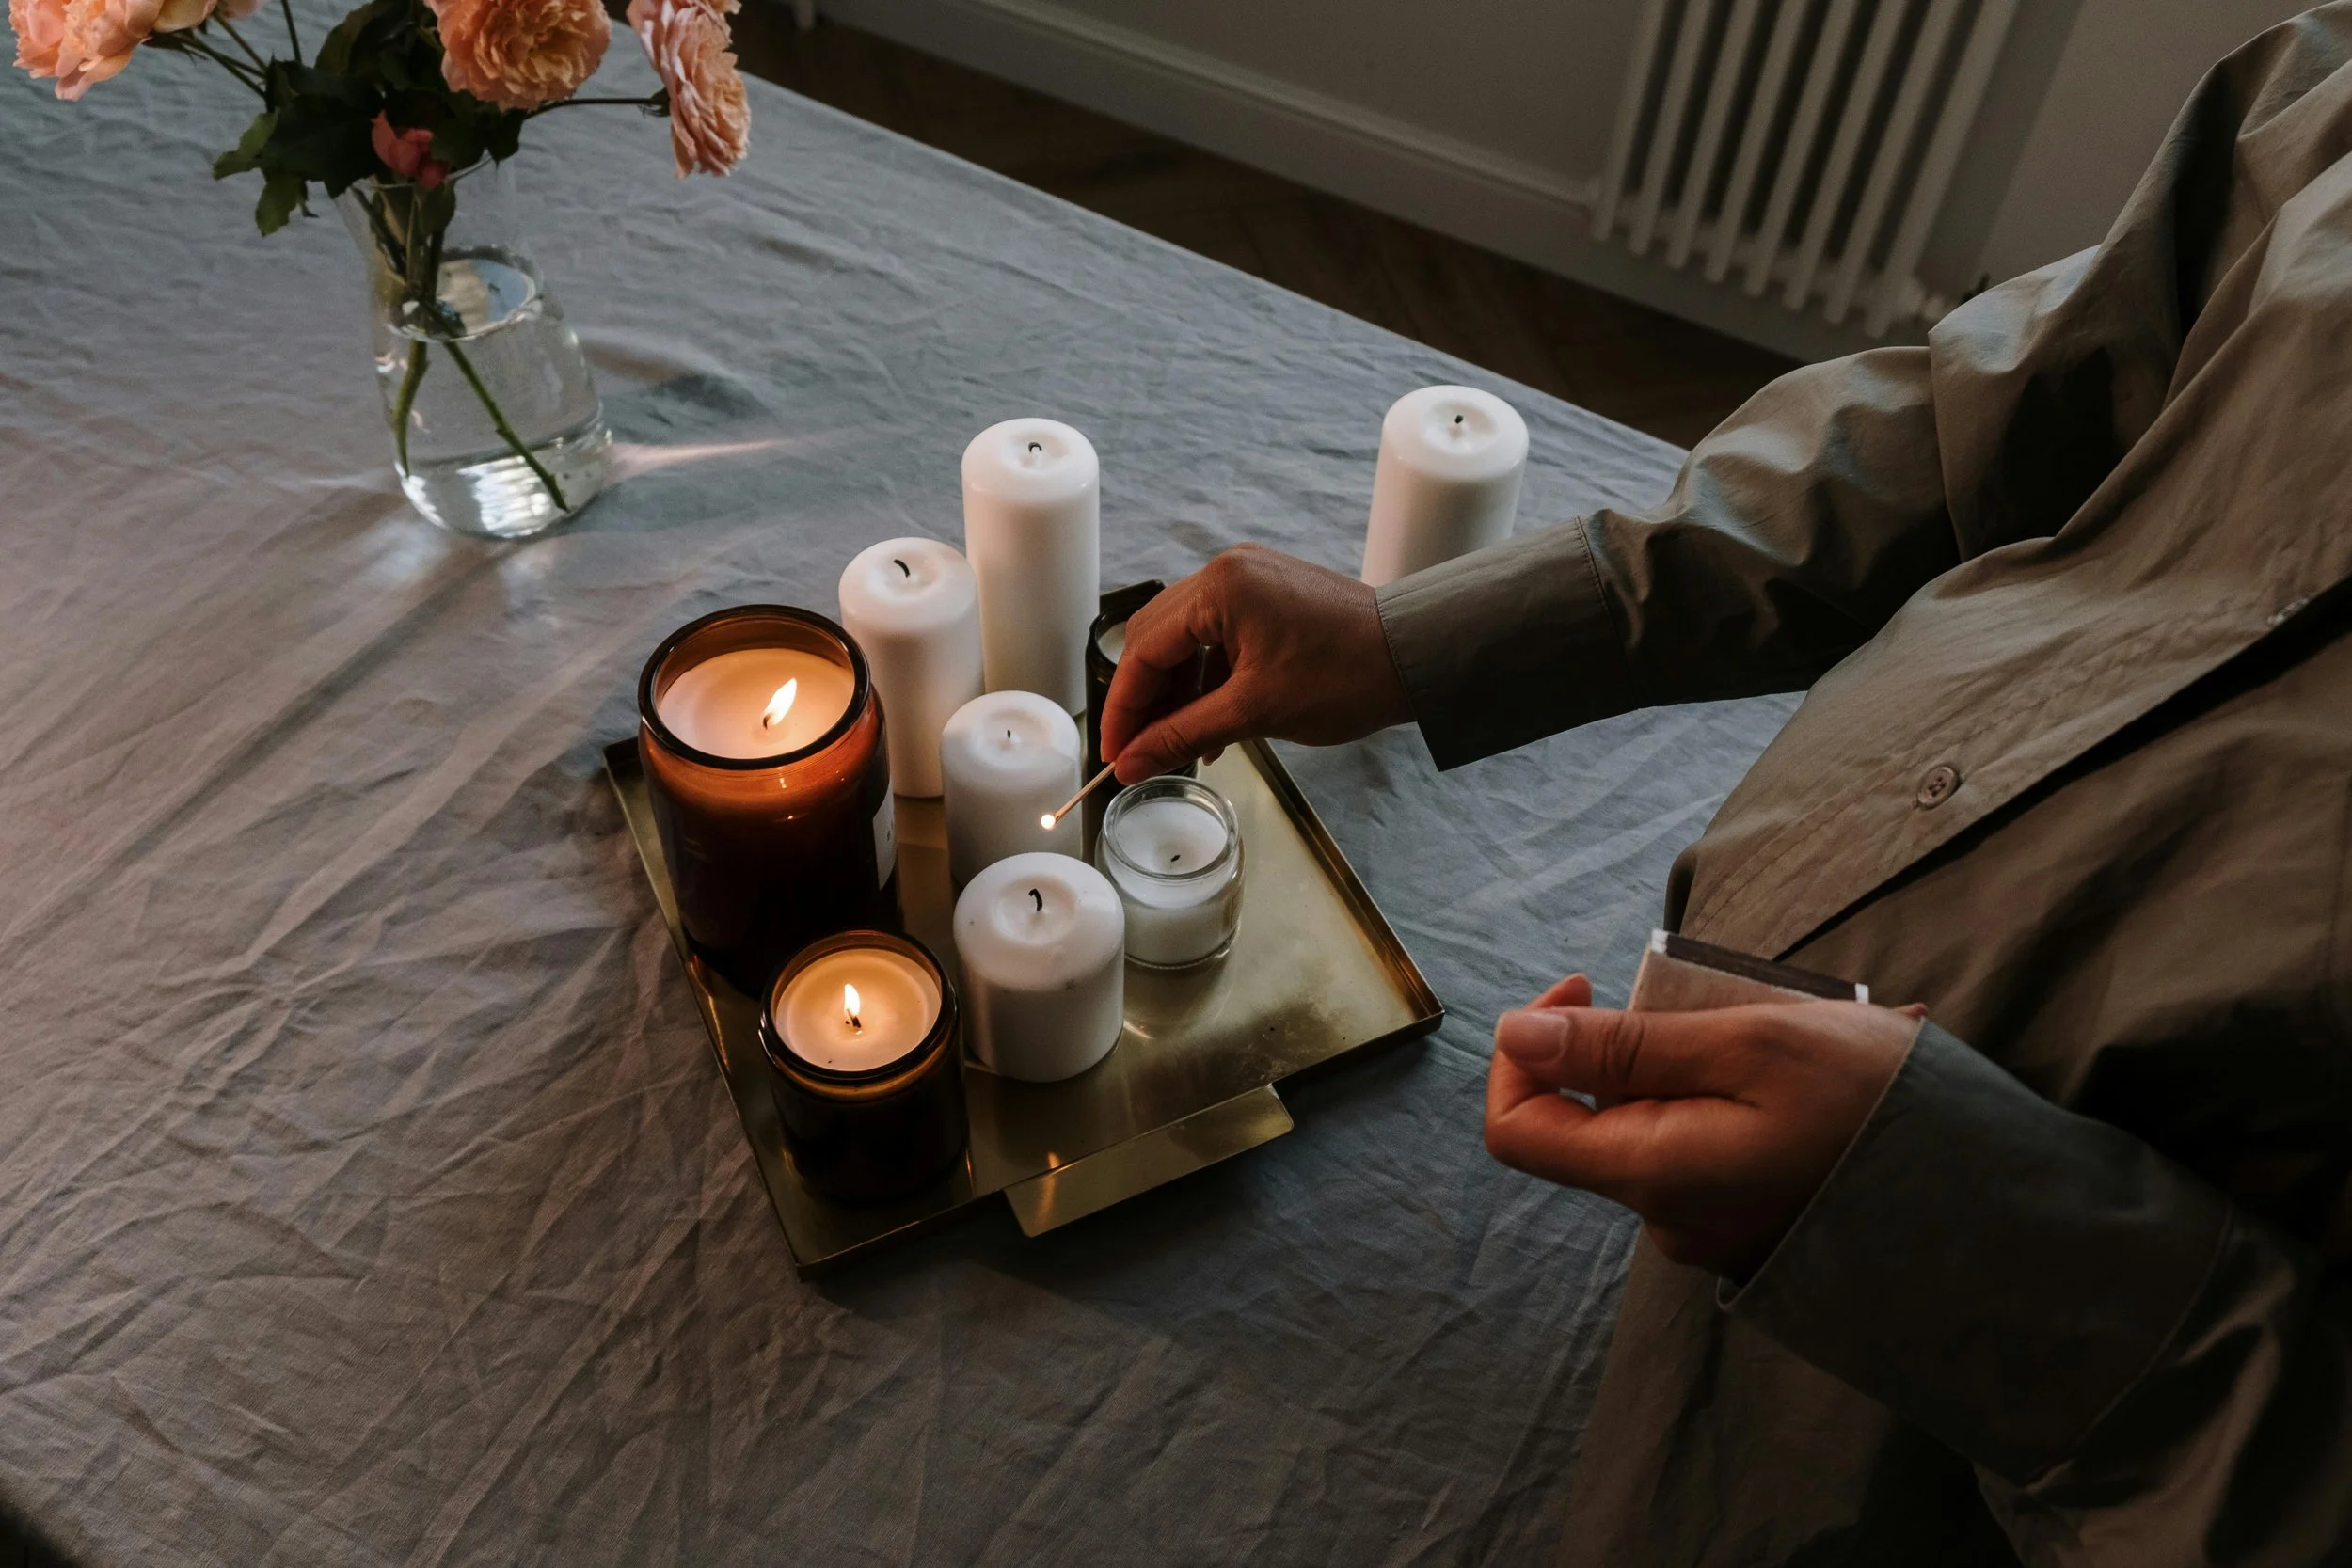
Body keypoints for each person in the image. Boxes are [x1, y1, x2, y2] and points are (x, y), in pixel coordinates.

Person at [1098, 9, 2352, 1564]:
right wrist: (1430, 633)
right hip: (1756, 1191)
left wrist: (1954, 1229)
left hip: (1977, 1461)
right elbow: (2012, 408)